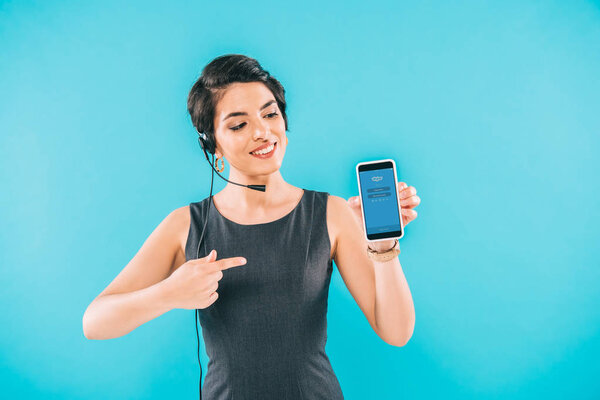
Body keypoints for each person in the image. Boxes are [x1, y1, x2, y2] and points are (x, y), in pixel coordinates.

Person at [82, 54, 419, 399]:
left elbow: (396, 331)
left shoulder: (331, 213)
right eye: (238, 124)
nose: (262, 132)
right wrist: (170, 293)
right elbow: (94, 322)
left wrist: (383, 246)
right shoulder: (186, 225)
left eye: (270, 114)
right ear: (213, 146)